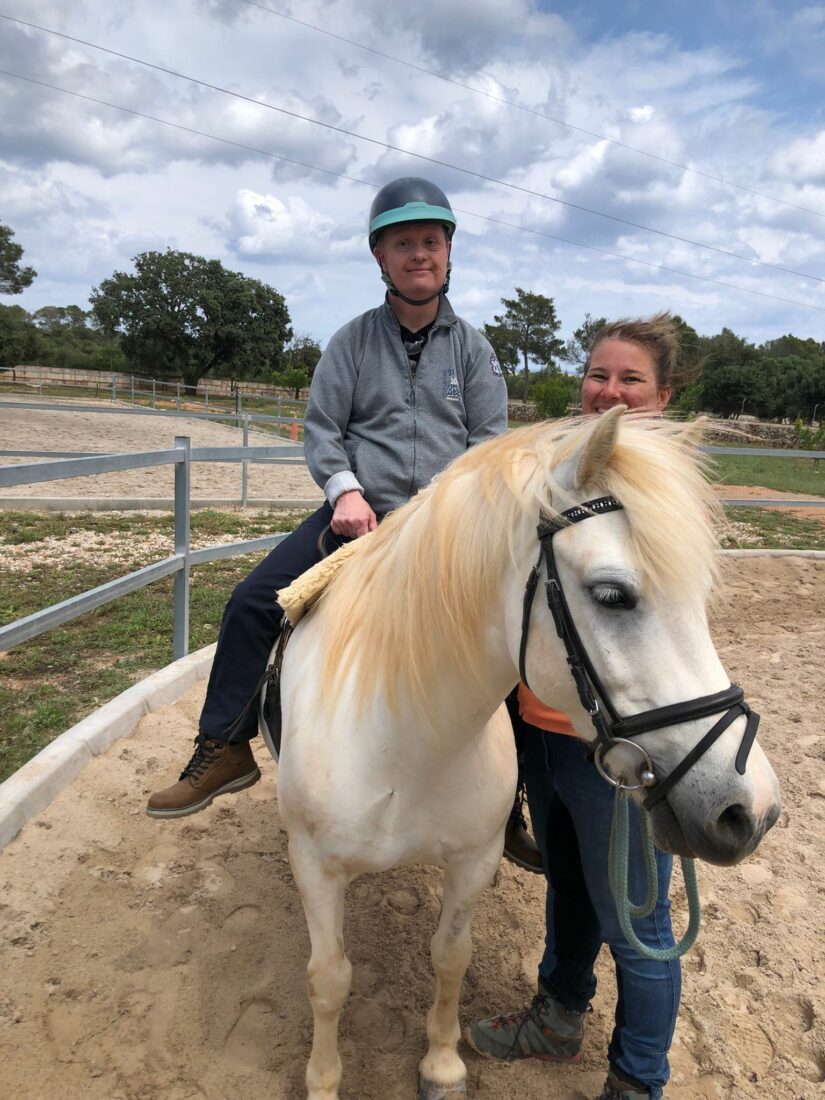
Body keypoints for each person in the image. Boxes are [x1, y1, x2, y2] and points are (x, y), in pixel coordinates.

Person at [146, 176, 509, 819]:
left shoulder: (475, 352)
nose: (419, 253)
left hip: (448, 526)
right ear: (380, 257)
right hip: (357, 519)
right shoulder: (352, 342)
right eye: (404, 243)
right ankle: (226, 745)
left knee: (516, 632)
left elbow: (489, 444)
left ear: (449, 252)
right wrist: (345, 492)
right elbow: (323, 429)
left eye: (431, 240)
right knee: (254, 602)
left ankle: (514, 799)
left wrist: (446, 508)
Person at [467, 314, 687, 1100]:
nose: (609, 392)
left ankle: (636, 1084)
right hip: (542, 725)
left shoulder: (656, 502)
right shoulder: (561, 470)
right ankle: (559, 1015)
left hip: (617, 743)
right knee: (567, 882)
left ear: (661, 396)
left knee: (639, 925)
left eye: (630, 380)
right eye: (599, 374)